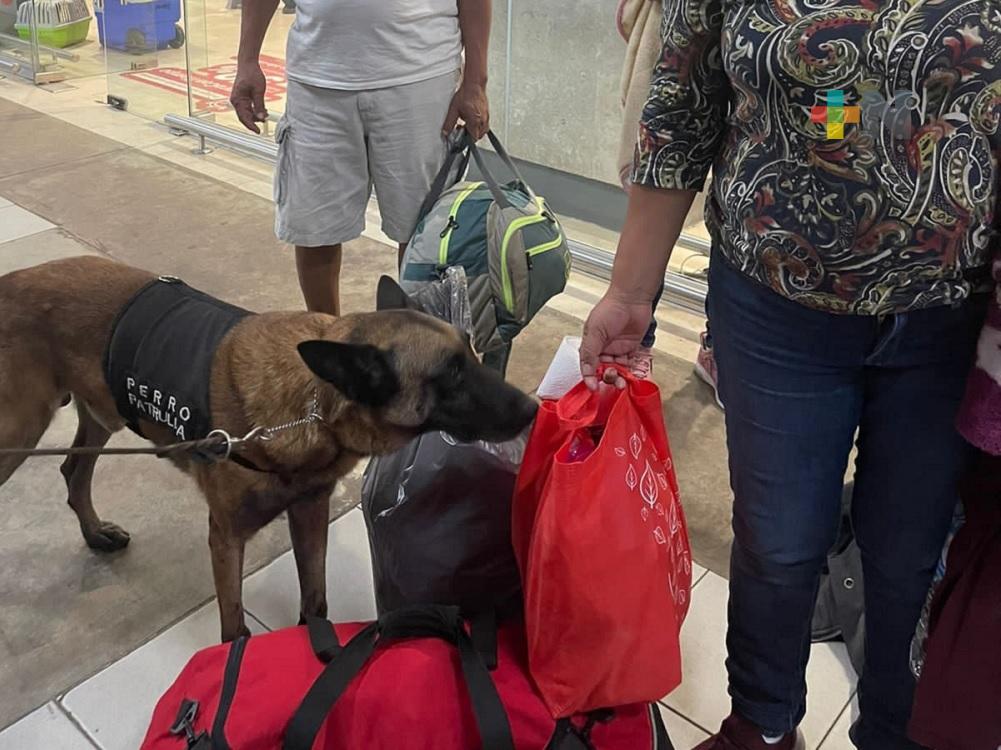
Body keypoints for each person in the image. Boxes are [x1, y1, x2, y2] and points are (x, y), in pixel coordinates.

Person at [580, 0, 998, 747]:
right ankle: (763, 725)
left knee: (910, 552)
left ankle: (897, 734)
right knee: (776, 542)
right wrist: (630, 292)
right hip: (775, 310)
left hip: (953, 322)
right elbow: (679, 105)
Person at [230, 0, 491, 315]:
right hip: (317, 79)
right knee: (316, 229)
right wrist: (246, 60)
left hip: (420, 76)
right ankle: (327, 344)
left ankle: (418, 352)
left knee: (423, 236)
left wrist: (476, 81)